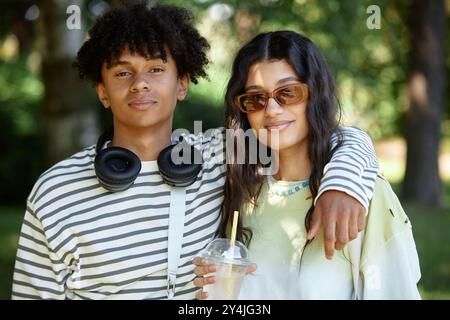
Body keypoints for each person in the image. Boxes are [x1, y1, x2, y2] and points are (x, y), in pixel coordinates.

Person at [12, 4, 379, 300]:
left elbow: (341, 136)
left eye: (156, 68)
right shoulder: (56, 190)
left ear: (183, 84)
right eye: (123, 73)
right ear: (102, 91)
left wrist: (341, 188)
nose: (140, 83)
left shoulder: (222, 153)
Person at [193, 31, 421, 300]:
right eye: (255, 98)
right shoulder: (240, 191)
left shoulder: (360, 194)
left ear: (316, 95)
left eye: (288, 93)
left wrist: (342, 187)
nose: (272, 110)